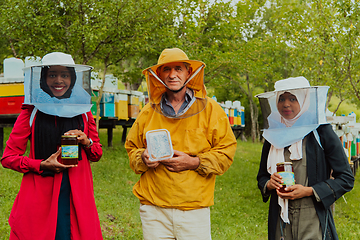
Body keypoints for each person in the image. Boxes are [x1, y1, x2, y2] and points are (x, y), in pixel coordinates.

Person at [125, 48, 237, 239]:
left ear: (188, 72)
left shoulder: (211, 110)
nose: (172, 75)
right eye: (166, 70)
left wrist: (194, 162)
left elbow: (226, 153)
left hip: (194, 209)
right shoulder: (147, 112)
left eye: (178, 68)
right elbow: (132, 149)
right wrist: (143, 158)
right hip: (154, 209)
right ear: (158, 75)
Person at [1, 52, 103, 240]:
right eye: (52, 74)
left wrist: (86, 141)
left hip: (77, 193)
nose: (59, 80)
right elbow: (8, 158)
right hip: (40, 194)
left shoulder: (84, 112)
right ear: (43, 78)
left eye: (64, 75)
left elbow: (96, 153)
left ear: (72, 79)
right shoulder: (31, 112)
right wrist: (40, 165)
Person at [256, 77, 354, 240]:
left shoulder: (320, 131)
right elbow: (262, 176)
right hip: (280, 218)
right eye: (282, 99)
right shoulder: (273, 134)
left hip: (312, 216)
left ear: (305, 100)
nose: (286, 104)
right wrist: (269, 184)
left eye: (293, 98)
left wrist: (309, 191)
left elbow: (346, 178)